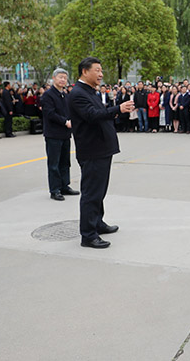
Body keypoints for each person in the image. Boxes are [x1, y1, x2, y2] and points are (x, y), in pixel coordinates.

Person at [68, 57, 136, 249]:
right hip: (92, 150)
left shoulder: (90, 91)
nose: (101, 74)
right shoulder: (78, 93)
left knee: (99, 190)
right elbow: (92, 115)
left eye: (101, 70)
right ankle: (88, 235)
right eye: (97, 70)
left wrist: (115, 110)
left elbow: (100, 113)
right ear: (84, 71)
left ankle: (97, 223)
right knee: (91, 193)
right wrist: (117, 109)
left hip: (101, 149)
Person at [41, 69, 79, 201]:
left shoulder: (65, 95)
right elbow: (49, 113)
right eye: (60, 77)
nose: (63, 80)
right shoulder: (48, 95)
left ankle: (65, 185)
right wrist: (65, 121)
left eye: (65, 78)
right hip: (53, 134)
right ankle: (55, 189)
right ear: (53, 78)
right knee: (54, 163)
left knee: (65, 162)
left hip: (65, 134)